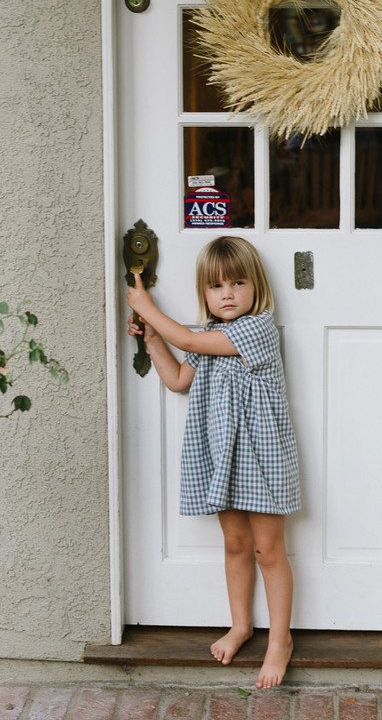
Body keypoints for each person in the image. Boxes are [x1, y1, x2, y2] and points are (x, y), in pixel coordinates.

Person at [127, 235, 301, 689]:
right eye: (216, 286)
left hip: (261, 458)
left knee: (268, 549)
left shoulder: (257, 328)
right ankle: (241, 625)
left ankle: (280, 640)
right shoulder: (207, 337)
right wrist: (151, 339)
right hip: (222, 455)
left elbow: (185, 336)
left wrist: (145, 307)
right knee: (236, 545)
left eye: (237, 283)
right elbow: (178, 379)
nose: (227, 294)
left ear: (256, 287)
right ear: (204, 292)